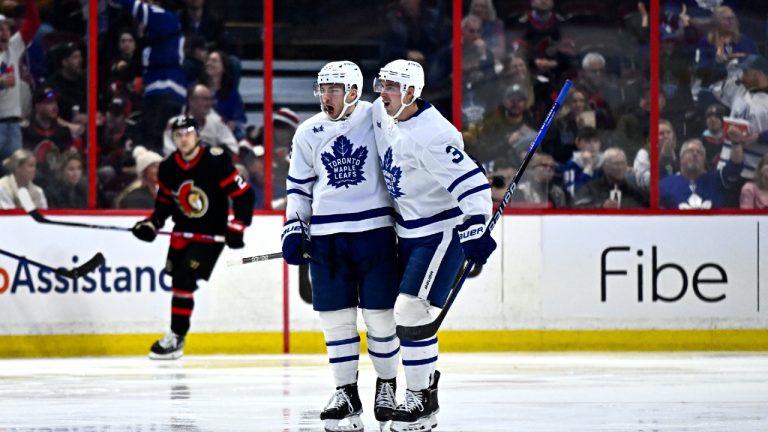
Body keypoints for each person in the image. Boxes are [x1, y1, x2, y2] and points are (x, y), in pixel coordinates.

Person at [371, 59, 496, 431]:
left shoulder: (433, 136)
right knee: (408, 315)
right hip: (408, 232)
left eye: (392, 87)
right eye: (382, 84)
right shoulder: (390, 115)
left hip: (439, 233)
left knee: (411, 313)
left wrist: (475, 226)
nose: (383, 92)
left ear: (411, 92)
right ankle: (425, 404)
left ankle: (418, 399)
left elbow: (474, 185)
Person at [281, 61, 400, 432]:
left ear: (352, 91)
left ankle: (386, 386)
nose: (325, 96)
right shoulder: (307, 132)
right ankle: (346, 391)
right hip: (328, 239)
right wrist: (293, 228)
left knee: (380, 317)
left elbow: (412, 142)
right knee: (335, 320)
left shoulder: (377, 115)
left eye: (333, 89)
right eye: (323, 89)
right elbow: (299, 190)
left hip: (375, 233)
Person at [131, 115, 255, 359]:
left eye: (188, 133)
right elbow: (164, 205)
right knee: (179, 282)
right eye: (178, 135)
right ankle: (176, 338)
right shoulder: (168, 167)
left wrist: (238, 225)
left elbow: (244, 195)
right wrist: (152, 224)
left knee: (184, 278)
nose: (183, 138)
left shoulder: (215, 161)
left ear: (197, 135)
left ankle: (176, 337)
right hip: (182, 234)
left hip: (210, 236)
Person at [0, 0, 40, 166]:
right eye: (0, 29)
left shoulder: (13, 47)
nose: (5, 33)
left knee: (14, 177)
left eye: (7, 28)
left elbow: (33, 23)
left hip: (14, 125)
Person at [660, 138, 743, 209]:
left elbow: (735, 166)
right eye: (690, 151)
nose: (695, 154)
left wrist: (736, 143)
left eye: (700, 153)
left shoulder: (716, 179)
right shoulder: (665, 184)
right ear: (681, 158)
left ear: (704, 160)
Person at [573, 147, 649, 209]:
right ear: (605, 166)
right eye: (616, 164)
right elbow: (578, 207)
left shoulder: (634, 190)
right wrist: (601, 206)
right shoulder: (590, 188)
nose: (620, 167)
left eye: (623, 163)